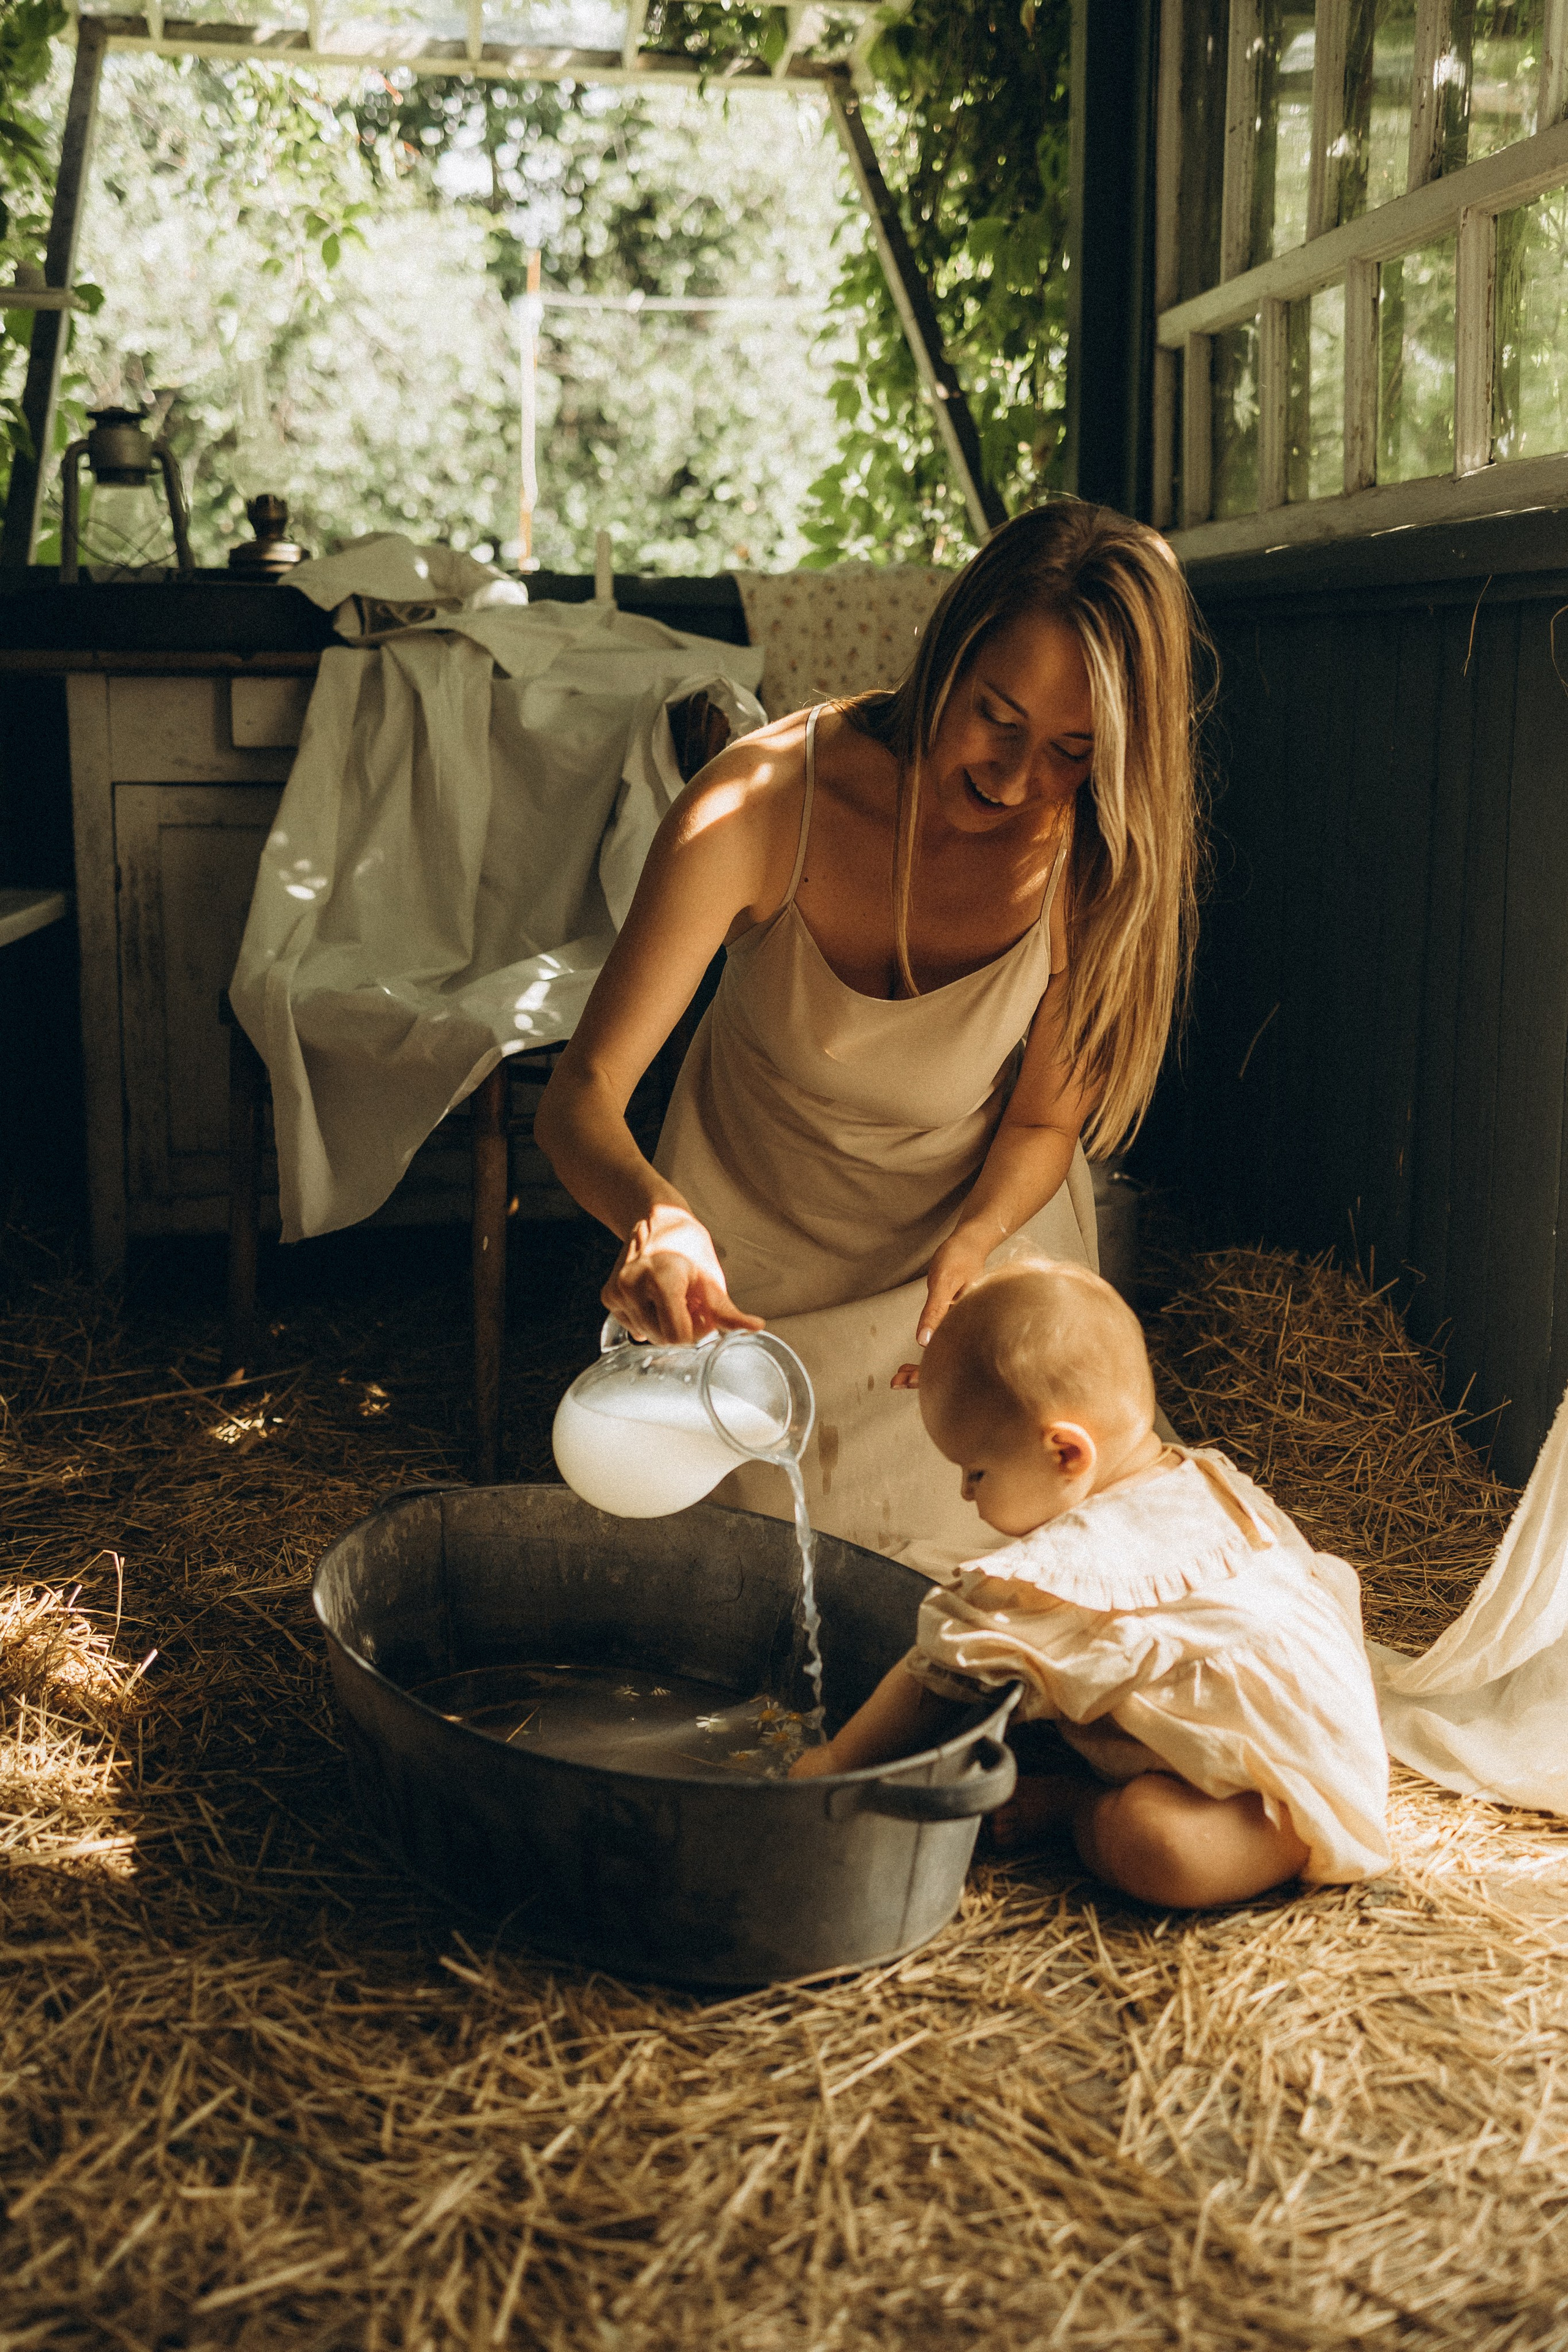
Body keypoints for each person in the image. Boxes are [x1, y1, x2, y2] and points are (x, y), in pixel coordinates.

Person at [535, 502, 1204, 1571]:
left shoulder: (1097, 862)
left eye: (1073, 753)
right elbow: (581, 1097)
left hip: (970, 1301)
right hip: (747, 1309)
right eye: (994, 716)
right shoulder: (762, 801)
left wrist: (978, 1249)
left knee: (1018, 1620)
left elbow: (1041, 1122)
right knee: (737, 1621)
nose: (1014, 777)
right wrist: (656, 1221)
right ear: (947, 653)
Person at [790, 1261, 1392, 1909]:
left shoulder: (1072, 1568)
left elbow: (938, 1671)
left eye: (975, 1471)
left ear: (1066, 1454)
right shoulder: (1199, 1480)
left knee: (1153, 1842)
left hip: (1276, 1799)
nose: (964, 1494)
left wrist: (835, 1764)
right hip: (1315, 1731)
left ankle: (1075, 1806)